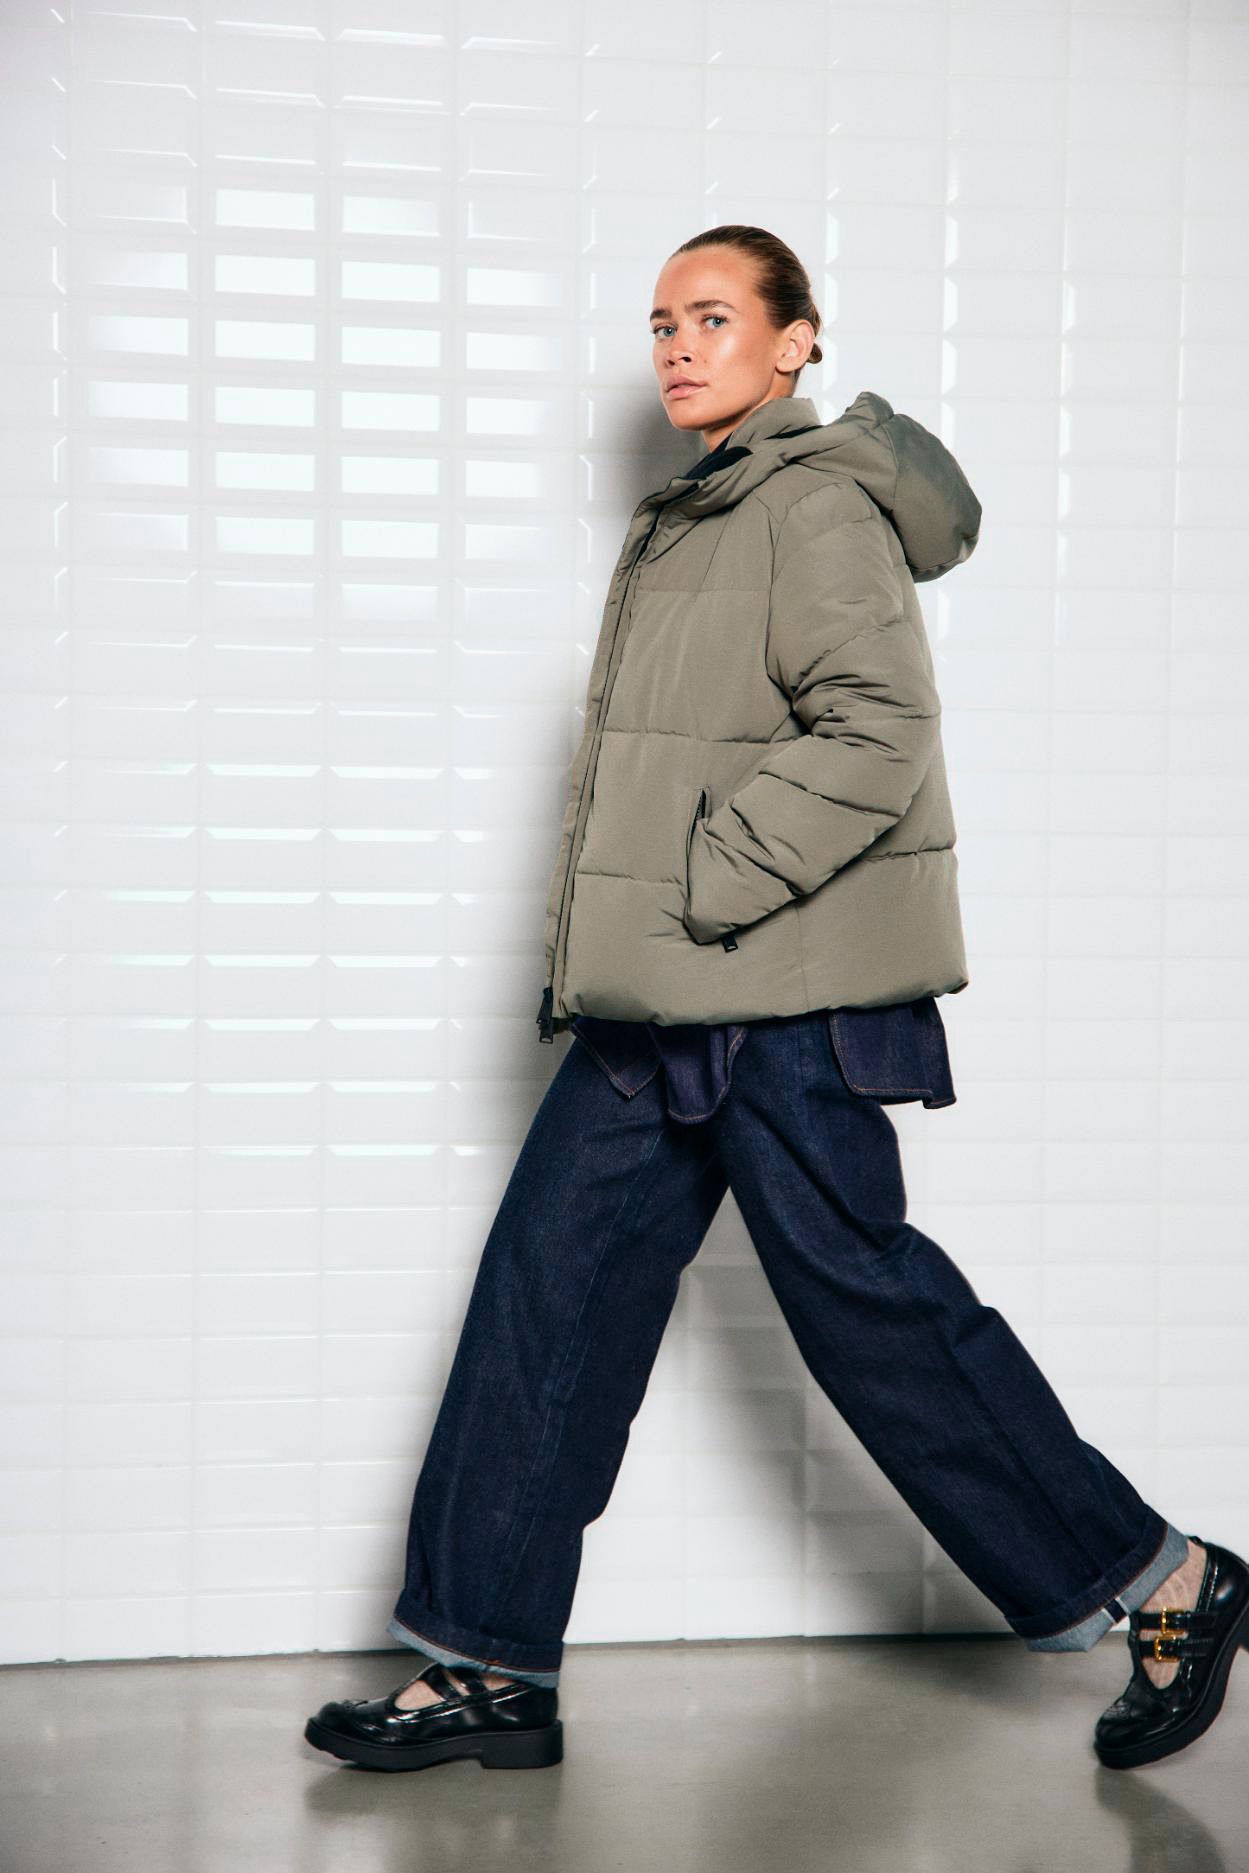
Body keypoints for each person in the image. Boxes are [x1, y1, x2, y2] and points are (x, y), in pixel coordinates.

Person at [305, 225, 1249, 1777]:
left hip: (774, 998)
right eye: (660, 324)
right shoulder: (704, 505)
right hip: (662, 1003)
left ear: (796, 338)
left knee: (865, 1308)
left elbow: (876, 730)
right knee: (547, 1289)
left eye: (713, 317)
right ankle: (484, 1659)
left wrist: (705, 879)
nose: (678, 347)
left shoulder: (808, 503)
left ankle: (1167, 1581)